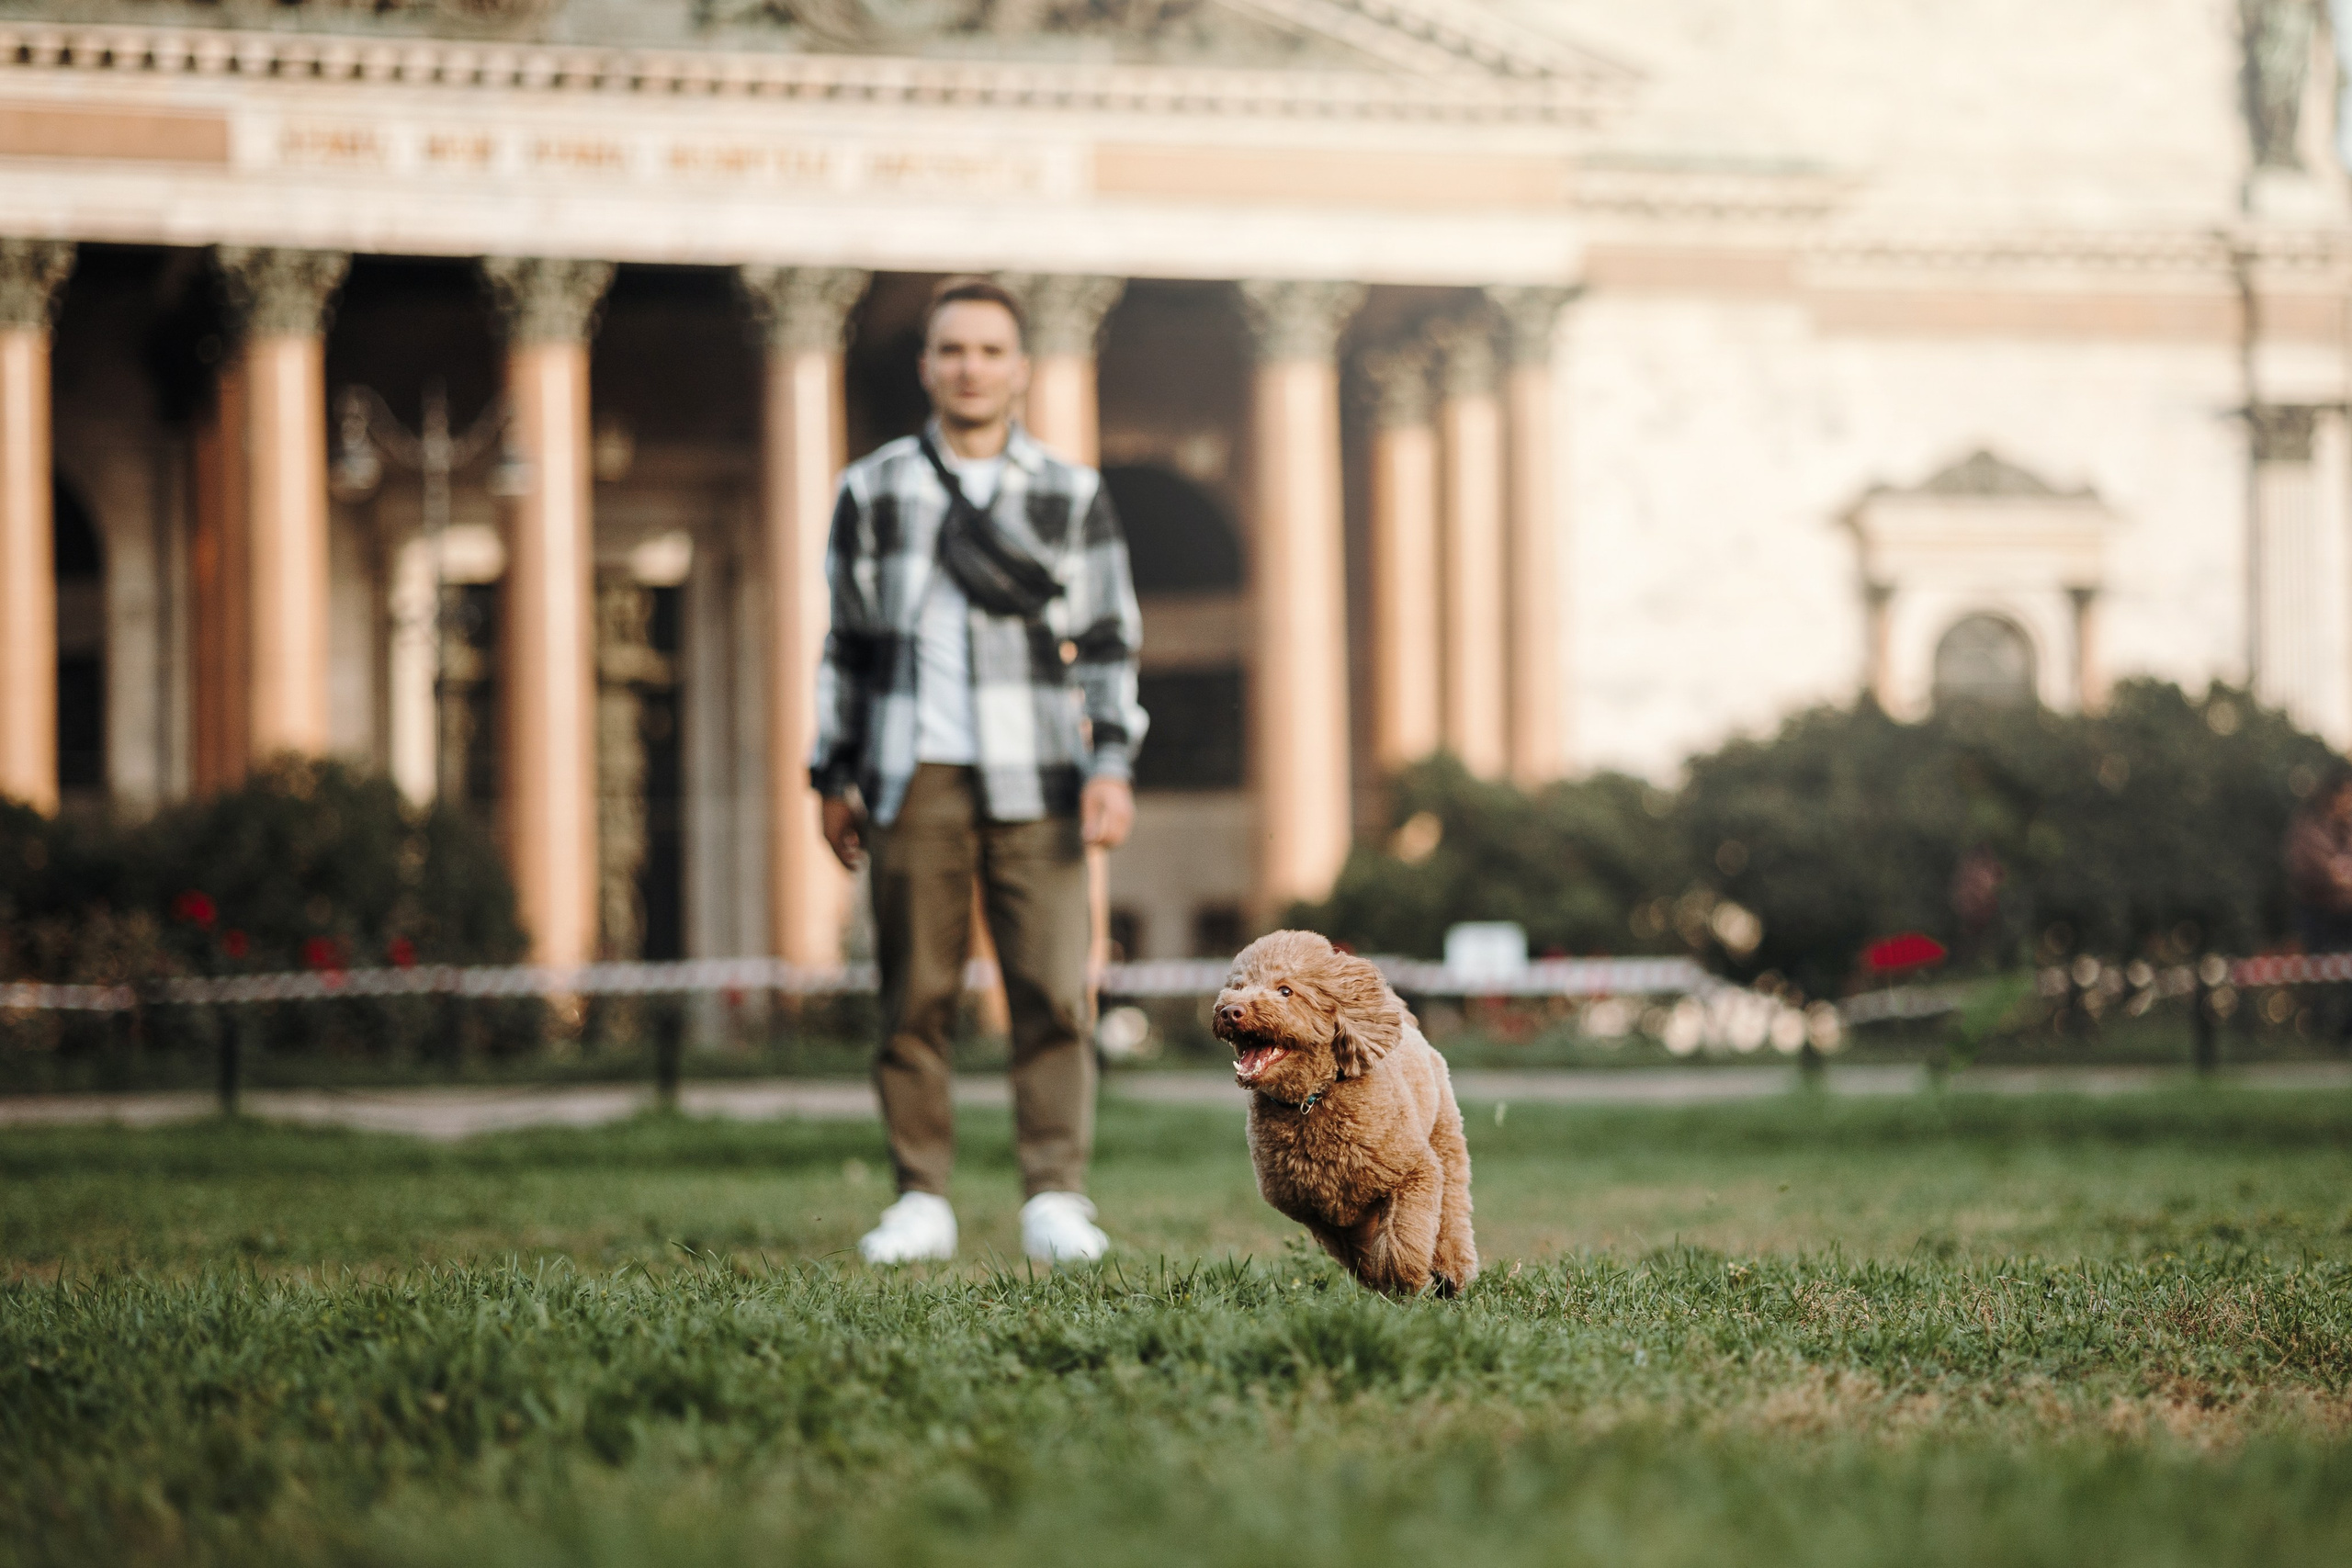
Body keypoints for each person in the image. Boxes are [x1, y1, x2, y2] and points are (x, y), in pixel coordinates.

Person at [810, 277, 1148, 1265]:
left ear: (1020, 368)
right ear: (926, 367)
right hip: (912, 769)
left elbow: (1110, 639)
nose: (971, 368)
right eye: (953, 350)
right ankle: (920, 1196)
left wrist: (1112, 762)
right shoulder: (872, 489)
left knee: (1051, 987)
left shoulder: (1068, 491)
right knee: (910, 990)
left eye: (990, 351)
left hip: (1040, 771)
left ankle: (1056, 1195)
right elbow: (846, 645)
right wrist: (832, 775)